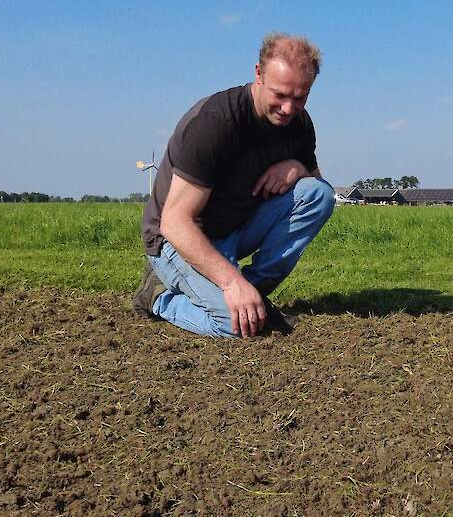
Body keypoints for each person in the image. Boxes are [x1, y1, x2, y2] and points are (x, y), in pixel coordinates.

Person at [132, 32, 335, 338]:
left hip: (234, 230)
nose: (289, 108)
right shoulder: (217, 124)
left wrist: (297, 168)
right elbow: (174, 223)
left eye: (300, 96)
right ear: (258, 74)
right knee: (234, 325)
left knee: (318, 194)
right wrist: (231, 282)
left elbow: (315, 183)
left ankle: (253, 293)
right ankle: (160, 298)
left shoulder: (300, 125)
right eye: (280, 95)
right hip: (176, 241)